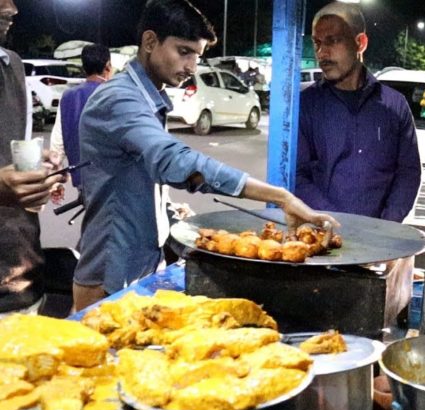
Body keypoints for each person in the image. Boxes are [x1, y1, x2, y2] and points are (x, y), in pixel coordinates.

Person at [73, 0, 338, 311]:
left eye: (196, 57)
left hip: (139, 265)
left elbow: (132, 179)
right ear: (149, 42)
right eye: (183, 52)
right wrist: (280, 196)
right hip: (109, 275)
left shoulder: (147, 99)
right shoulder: (119, 99)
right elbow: (174, 160)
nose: (191, 67)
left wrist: (167, 212)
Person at [296, 2, 420, 222]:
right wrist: (335, 224)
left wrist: (387, 225)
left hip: (379, 241)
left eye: (333, 41)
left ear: (360, 43)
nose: (322, 53)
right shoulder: (306, 105)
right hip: (321, 240)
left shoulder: (394, 105)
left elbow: (408, 172)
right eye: (317, 43)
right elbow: (297, 175)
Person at [0, 0, 66, 315]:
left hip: (21, 279)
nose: (12, 10)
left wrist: (40, 169)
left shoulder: (11, 66)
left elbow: (15, 150)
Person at [50, 43, 112, 190]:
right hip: (111, 181)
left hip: (81, 180)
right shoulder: (113, 94)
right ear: (108, 66)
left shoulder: (67, 96)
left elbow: (57, 141)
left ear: (84, 68)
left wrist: (55, 181)